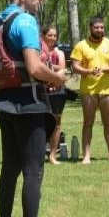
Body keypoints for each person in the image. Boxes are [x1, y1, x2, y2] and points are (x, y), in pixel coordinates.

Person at [0, 0, 67, 217]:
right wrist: (57, 78)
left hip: (6, 103)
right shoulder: (25, 21)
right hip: (29, 104)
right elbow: (34, 68)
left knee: (10, 170)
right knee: (33, 171)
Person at [70, 17, 109, 164]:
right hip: (88, 90)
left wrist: (104, 69)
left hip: (107, 89)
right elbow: (75, 66)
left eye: (102, 27)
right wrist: (88, 71)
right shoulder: (81, 45)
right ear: (90, 28)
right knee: (88, 122)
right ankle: (86, 155)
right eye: (96, 27)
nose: (99, 30)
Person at [42, 25, 67, 165]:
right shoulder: (37, 51)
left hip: (57, 92)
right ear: (43, 36)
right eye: (49, 35)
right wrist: (55, 70)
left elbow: (63, 69)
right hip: (42, 91)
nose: (52, 38)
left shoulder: (60, 53)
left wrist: (48, 67)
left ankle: (52, 155)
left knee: (57, 123)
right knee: (41, 123)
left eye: (54, 35)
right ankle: (40, 153)